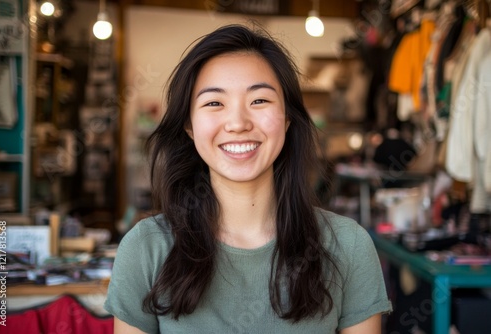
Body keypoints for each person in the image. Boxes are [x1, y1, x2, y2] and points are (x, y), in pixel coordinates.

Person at [104, 24, 392, 333]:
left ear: (287, 119)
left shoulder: (348, 246)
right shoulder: (146, 248)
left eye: (259, 101)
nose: (238, 123)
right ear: (189, 126)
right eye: (214, 103)